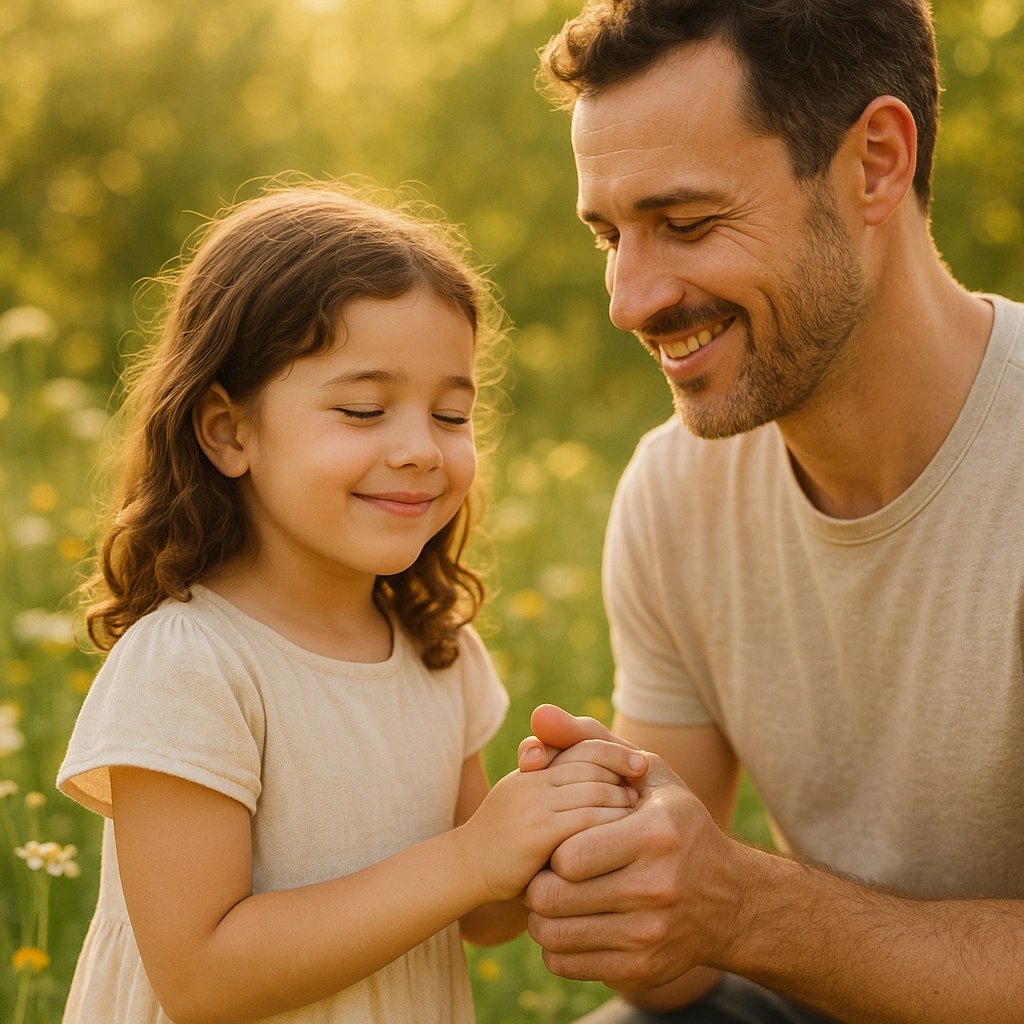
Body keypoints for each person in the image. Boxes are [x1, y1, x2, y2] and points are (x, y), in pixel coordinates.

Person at [516, 1, 1024, 1022]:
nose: (628, 298)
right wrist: (617, 871)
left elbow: (739, 924)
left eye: (687, 223)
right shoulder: (674, 497)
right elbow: (674, 977)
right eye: (610, 236)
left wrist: (745, 908)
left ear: (875, 162)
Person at [56, 182, 644, 1024]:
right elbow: (201, 976)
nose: (418, 450)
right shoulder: (192, 664)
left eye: (450, 414)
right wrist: (474, 858)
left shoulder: (437, 651)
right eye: (364, 409)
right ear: (229, 432)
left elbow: (482, 912)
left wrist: (554, 821)